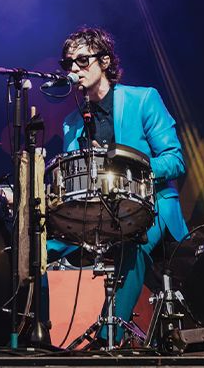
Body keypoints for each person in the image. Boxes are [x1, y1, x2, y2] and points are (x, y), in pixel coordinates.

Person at [46, 27, 188, 345]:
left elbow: (175, 160)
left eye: (82, 61)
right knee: (36, 252)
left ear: (105, 61)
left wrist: (129, 169)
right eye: (68, 63)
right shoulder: (72, 122)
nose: (73, 70)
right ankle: (37, 333)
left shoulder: (143, 99)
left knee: (131, 244)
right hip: (96, 215)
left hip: (150, 208)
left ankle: (107, 339)